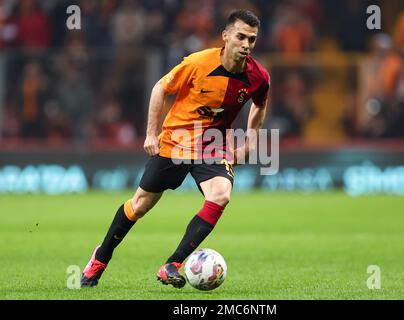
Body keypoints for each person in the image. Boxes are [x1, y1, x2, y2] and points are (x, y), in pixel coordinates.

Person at [81, 9, 270, 288]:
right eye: (241, 37)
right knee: (140, 205)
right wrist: (150, 133)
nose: (246, 45)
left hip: (212, 145)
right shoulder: (197, 63)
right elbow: (160, 88)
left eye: (252, 40)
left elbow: (259, 104)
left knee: (221, 196)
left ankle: (173, 263)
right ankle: (101, 256)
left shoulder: (259, 77)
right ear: (225, 37)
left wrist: (249, 141)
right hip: (176, 141)